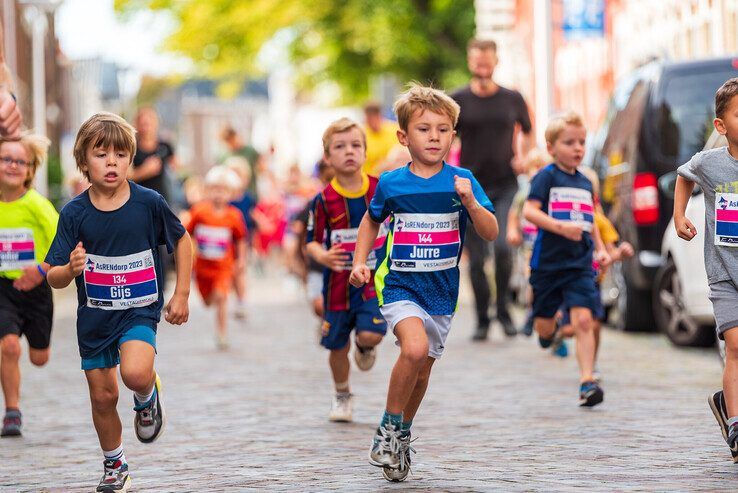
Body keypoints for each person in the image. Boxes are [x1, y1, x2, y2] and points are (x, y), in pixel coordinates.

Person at [350, 84, 498, 482]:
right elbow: (370, 220)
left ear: (453, 135)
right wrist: (361, 260)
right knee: (413, 349)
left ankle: (401, 433)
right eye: (424, 129)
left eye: (443, 129)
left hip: (442, 292)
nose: (434, 136)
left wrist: (469, 202)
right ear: (403, 136)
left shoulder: (463, 180)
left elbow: (490, 231)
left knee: (423, 369)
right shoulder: (392, 183)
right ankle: (387, 428)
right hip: (398, 283)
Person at [45, 112, 192, 492]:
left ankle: (147, 397)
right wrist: (72, 268)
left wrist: (182, 293)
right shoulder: (74, 213)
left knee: (135, 373)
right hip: (94, 318)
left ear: (130, 159)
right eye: (101, 154)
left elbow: (182, 240)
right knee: (103, 396)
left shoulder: (148, 203)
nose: (112, 162)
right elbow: (53, 274)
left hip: (139, 309)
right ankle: (115, 465)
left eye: (120, 154)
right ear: (83, 161)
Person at [522, 111, 610, 408]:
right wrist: (559, 227)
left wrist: (599, 248)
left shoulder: (586, 182)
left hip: (579, 264)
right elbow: (529, 211)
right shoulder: (545, 177)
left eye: (582, 142)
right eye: (569, 142)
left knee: (585, 319)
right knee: (544, 327)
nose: (578, 149)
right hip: (548, 264)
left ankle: (588, 380)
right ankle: (550, 333)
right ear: (551, 147)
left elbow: (592, 220)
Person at [452, 38, 535, 340]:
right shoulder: (458, 99)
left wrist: (523, 156)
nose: (482, 66)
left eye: (487, 60)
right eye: (477, 60)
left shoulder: (512, 98)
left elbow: (527, 131)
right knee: (476, 257)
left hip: (505, 185)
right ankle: (482, 318)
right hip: (470, 188)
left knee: (502, 248)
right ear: (470, 62)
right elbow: (446, 135)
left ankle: (503, 311)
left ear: (496, 62)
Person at [306, 118, 387, 423]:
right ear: (328, 157)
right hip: (336, 284)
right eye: (340, 147)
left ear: (365, 152)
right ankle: (342, 394)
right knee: (337, 345)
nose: (349, 152)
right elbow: (311, 242)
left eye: (355, 145)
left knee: (370, 333)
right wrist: (324, 256)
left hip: (373, 282)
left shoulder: (380, 189)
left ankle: (365, 348)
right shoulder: (323, 200)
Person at [674, 77, 738, 463]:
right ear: (721, 125)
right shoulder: (711, 162)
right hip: (724, 273)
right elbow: (684, 174)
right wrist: (679, 215)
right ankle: (735, 424)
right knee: (735, 345)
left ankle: (726, 403)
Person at [0, 133, 57, 437]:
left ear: (30, 169)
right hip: (3, 289)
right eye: (6, 159)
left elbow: (62, 245)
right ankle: (12, 411)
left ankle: (32, 340)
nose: (12, 165)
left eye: (20, 161)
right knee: (9, 346)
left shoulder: (38, 205)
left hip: (36, 289)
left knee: (39, 358)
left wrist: (40, 270)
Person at [554, 166, 634, 365]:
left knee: (594, 325)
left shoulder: (600, 221)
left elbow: (609, 253)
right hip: (567, 278)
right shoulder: (562, 217)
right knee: (570, 329)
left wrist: (620, 253)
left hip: (593, 281)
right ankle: (558, 332)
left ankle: (591, 363)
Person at [186, 166, 247, 350]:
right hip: (203, 268)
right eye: (214, 189)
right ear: (207, 190)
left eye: (223, 190)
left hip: (223, 267)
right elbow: (187, 233)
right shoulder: (199, 211)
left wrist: (241, 260)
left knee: (221, 297)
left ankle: (222, 334)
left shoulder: (234, 216)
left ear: (231, 194)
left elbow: (241, 239)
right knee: (207, 301)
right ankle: (212, 304)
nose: (218, 194)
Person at [506, 148, 550, 336]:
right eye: (534, 168)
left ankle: (542, 316)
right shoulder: (525, 192)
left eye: (542, 168)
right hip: (529, 247)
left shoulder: (550, 192)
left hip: (548, 246)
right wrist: (512, 231)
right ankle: (531, 313)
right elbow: (514, 213)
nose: (537, 172)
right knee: (532, 281)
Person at [224, 156, 256, 319]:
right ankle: (229, 297)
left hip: (242, 240)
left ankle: (242, 301)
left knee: (240, 270)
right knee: (230, 272)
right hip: (226, 240)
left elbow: (254, 214)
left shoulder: (248, 198)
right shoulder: (224, 199)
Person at [130, 107, 179, 204]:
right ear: (137, 125)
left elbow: (176, 167)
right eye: (143, 124)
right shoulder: (132, 147)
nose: (147, 128)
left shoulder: (165, 146)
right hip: (140, 200)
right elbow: (127, 177)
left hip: (163, 199)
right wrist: (145, 170)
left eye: (149, 124)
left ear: (156, 124)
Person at [220, 125, 260, 200]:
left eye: (232, 139)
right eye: (228, 141)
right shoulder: (225, 155)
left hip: (250, 190)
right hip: (231, 194)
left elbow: (261, 166)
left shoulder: (250, 151)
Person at [363, 102, 400, 177]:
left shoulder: (394, 129)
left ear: (380, 116)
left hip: (392, 176)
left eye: (374, 117)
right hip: (370, 178)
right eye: (369, 118)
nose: (372, 122)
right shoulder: (361, 133)